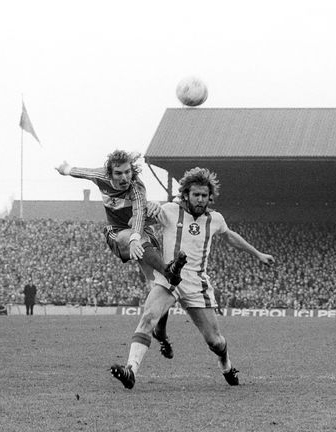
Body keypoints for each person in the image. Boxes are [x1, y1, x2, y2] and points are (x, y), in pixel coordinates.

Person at [110, 167, 275, 389]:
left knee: (215, 342)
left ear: (210, 197)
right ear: (186, 194)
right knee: (148, 317)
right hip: (169, 279)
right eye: (195, 194)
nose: (199, 199)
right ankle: (131, 370)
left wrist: (258, 254)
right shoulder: (169, 210)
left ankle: (226, 366)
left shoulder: (215, 219)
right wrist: (147, 210)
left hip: (197, 286)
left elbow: (231, 237)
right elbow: (135, 221)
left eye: (204, 195)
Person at [55, 150, 187, 358]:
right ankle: (169, 271)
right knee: (136, 243)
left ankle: (161, 332)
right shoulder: (101, 177)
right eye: (119, 173)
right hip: (117, 232)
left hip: (140, 231)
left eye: (128, 172)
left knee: (157, 286)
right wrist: (66, 169)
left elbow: (139, 216)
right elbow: (82, 172)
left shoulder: (136, 187)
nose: (124, 177)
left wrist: (152, 212)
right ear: (110, 173)